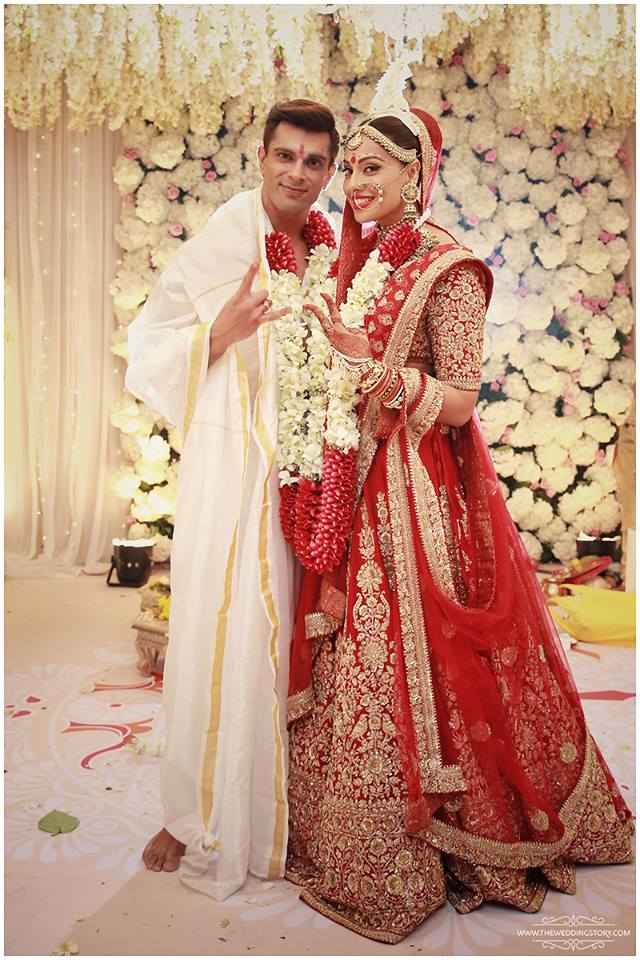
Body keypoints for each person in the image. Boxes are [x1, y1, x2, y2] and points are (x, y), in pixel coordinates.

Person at [284, 78, 633, 943]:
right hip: (358, 482)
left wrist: (370, 369)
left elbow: (462, 400)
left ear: (416, 173)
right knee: (356, 662)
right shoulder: (368, 260)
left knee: (413, 660)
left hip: (414, 494)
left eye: (372, 167)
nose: (355, 184)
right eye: (349, 170)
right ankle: (350, 833)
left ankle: (442, 838)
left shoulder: (451, 268)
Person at [125, 99, 338, 900]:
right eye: (285, 155)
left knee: (290, 632)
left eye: (313, 161)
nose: (297, 173)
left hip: (305, 467)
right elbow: (150, 345)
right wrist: (220, 332)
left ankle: (276, 798)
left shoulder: (328, 246)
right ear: (261, 157)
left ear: (329, 171)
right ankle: (194, 815)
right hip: (233, 462)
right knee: (220, 625)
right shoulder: (230, 231)